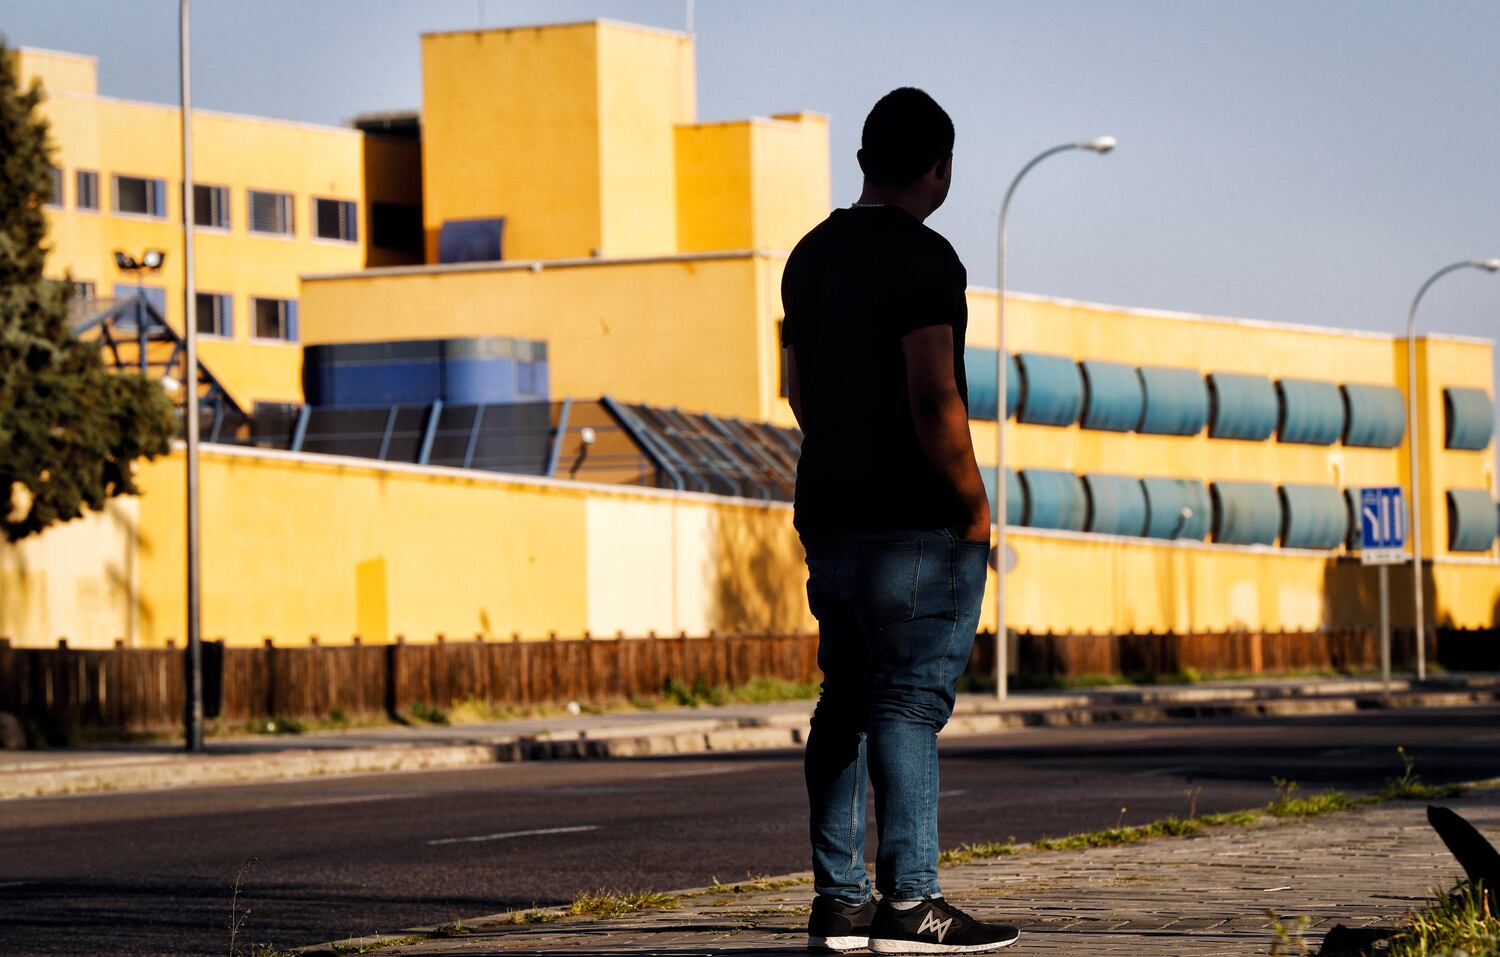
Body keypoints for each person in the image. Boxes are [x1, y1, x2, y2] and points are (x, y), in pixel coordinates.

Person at [781, 88, 1020, 954]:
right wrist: (973, 503)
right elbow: (932, 393)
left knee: (842, 700)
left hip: (830, 516)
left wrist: (845, 454)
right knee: (908, 706)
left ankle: (840, 903)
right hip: (914, 524)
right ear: (940, 167)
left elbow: (798, 390)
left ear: (862, 162)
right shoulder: (928, 261)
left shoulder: (807, 257)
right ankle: (913, 904)